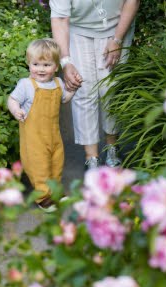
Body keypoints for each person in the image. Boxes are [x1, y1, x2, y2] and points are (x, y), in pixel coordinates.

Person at [49, 0, 140, 169]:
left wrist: (117, 40)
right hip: (78, 30)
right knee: (83, 88)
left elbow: (132, 1)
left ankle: (112, 146)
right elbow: (60, 19)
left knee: (110, 90)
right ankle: (91, 157)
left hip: (117, 27)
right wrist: (66, 62)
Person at [7, 38, 79, 212]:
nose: (40, 69)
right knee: (39, 167)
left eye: (46, 65)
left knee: (56, 164)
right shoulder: (26, 85)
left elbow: (64, 99)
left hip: (54, 135)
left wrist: (73, 90)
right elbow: (12, 99)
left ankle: (54, 192)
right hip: (34, 139)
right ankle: (43, 197)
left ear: (56, 67)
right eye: (36, 64)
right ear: (29, 64)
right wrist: (16, 110)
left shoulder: (58, 83)